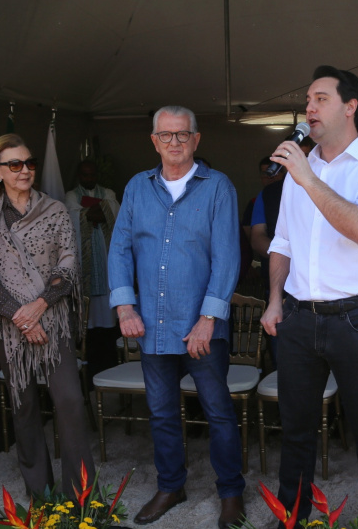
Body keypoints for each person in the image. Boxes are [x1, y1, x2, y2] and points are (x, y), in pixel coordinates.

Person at [260, 66, 358, 525]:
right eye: (307, 100)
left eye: (320, 99)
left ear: (350, 106)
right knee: (297, 430)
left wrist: (307, 177)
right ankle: (293, 517)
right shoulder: (298, 173)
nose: (309, 108)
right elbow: (282, 242)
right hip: (300, 318)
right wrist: (274, 300)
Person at [108, 105, 244, 528]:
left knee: (218, 412)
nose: (174, 143)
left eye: (182, 135)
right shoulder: (136, 187)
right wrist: (125, 306)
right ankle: (171, 486)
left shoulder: (218, 186)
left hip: (201, 325)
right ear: (154, 141)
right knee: (162, 412)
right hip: (152, 324)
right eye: (165, 136)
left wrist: (208, 318)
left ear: (196, 139)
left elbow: (227, 257)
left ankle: (231, 493)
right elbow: (120, 249)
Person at [0, 134, 94, 498]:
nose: (25, 170)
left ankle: (80, 496)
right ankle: (40, 493)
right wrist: (22, 320)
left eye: (29, 163)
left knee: (70, 401)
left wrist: (39, 308)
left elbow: (69, 267)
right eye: (14, 164)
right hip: (6, 329)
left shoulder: (55, 210)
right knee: (23, 407)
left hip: (52, 322)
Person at [64, 160, 120, 374]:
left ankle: (109, 359)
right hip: (84, 260)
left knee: (107, 316)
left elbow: (113, 214)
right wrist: (96, 210)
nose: (89, 179)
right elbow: (77, 216)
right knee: (87, 320)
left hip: (105, 260)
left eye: (92, 174)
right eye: (84, 175)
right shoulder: (71, 196)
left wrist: (92, 211)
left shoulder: (108, 192)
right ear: (79, 175)